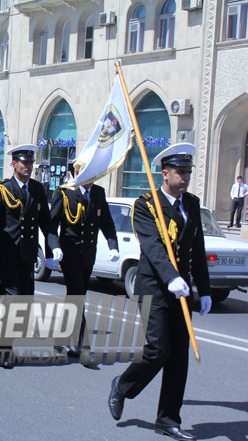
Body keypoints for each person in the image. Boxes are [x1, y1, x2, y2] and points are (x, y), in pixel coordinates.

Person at [108, 143, 212, 441]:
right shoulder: (146, 204)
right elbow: (152, 246)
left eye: (189, 172)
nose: (186, 177)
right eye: (180, 172)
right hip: (154, 288)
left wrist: (202, 290)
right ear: (164, 174)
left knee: (179, 358)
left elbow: (197, 249)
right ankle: (123, 385)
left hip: (181, 290)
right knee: (157, 350)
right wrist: (170, 277)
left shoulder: (191, 204)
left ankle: (168, 419)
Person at [0, 145, 54, 369]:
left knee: (25, 301)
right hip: (7, 254)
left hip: (28, 255)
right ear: (14, 164)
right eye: (24, 162)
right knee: (14, 301)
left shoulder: (37, 189)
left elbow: (46, 222)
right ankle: (5, 350)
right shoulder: (2, 188)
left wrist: (53, 247)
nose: (28, 166)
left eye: (31, 163)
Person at [47, 179, 119, 365]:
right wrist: (53, 248)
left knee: (75, 296)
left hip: (88, 255)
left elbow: (107, 222)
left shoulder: (98, 193)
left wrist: (113, 246)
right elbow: (52, 223)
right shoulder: (64, 192)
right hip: (69, 253)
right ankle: (84, 348)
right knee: (77, 297)